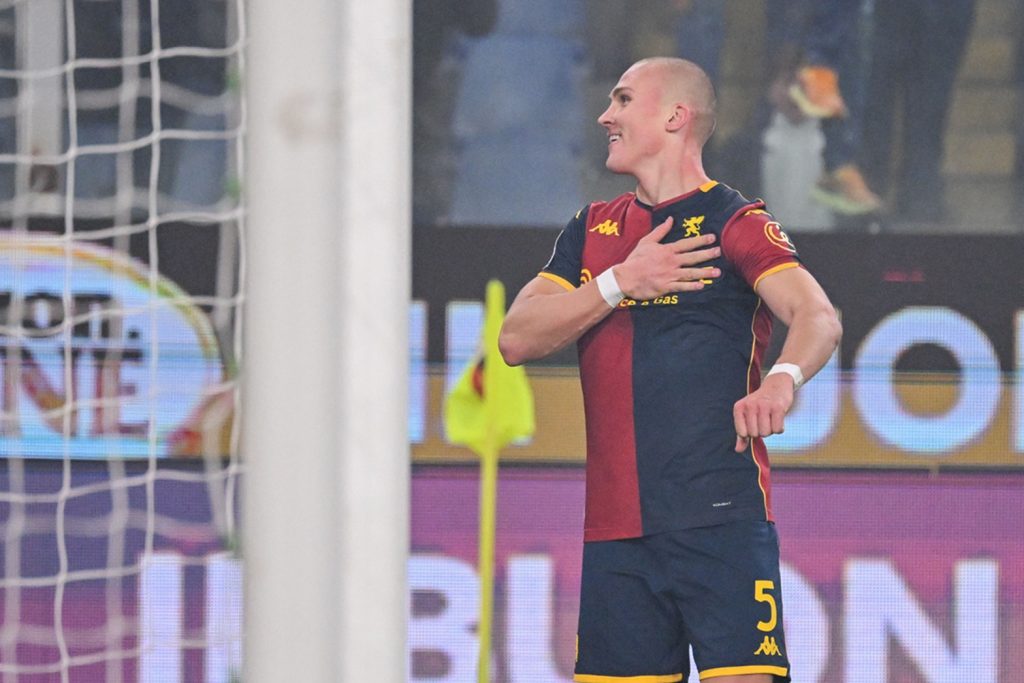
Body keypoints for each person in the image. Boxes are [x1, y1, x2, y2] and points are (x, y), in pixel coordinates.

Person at [499, 57, 841, 682]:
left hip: (721, 519)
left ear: (675, 116)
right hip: (614, 534)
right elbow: (516, 338)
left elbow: (817, 315)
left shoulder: (735, 222)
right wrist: (618, 282)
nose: (606, 116)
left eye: (624, 100)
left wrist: (781, 380)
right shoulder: (591, 230)